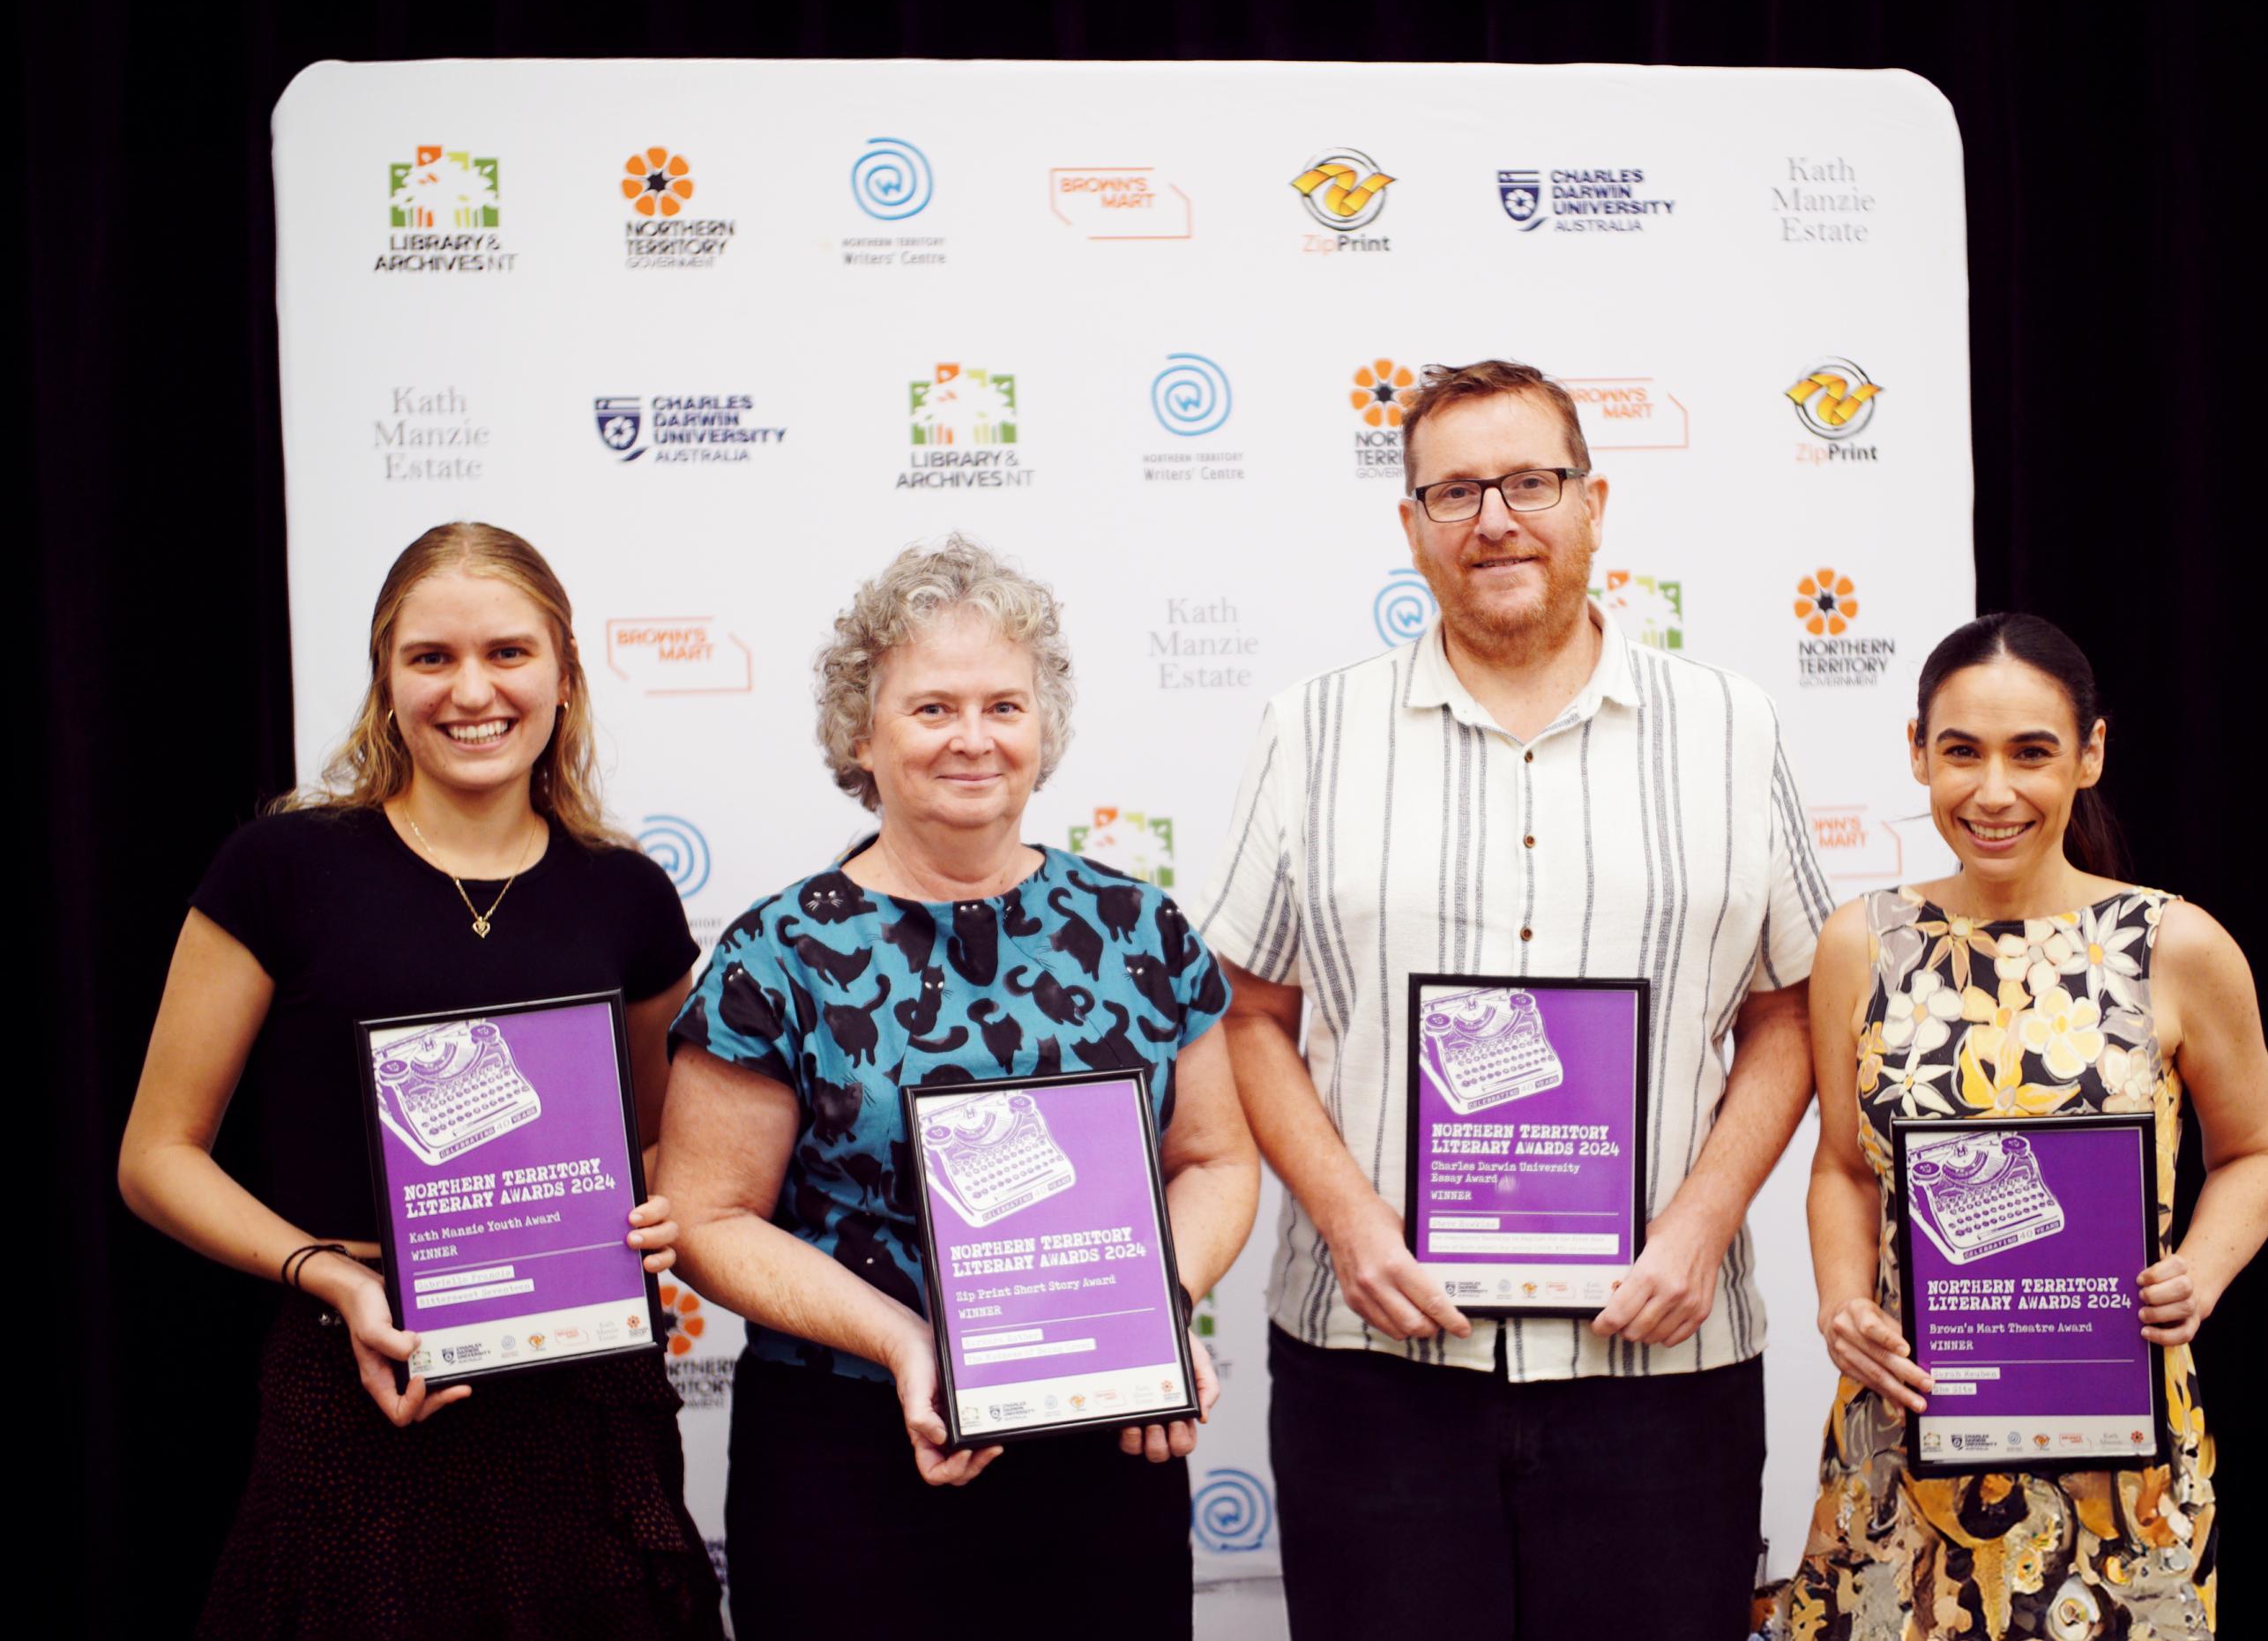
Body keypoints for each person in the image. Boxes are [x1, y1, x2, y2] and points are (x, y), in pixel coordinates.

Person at [1197, 360, 1831, 1640]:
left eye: (1530, 482)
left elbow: (1792, 1007)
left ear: (1593, 502)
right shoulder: (1311, 729)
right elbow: (1246, 1010)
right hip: (1377, 1355)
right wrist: (1348, 1216)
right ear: (1412, 524)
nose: (1496, 518)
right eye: (1456, 490)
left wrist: (1705, 1222)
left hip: (1660, 1352)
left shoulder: (1730, 725)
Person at [117, 522, 722, 1637]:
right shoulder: (283, 868)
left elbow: (655, 1145)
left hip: (581, 1406)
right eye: (431, 657)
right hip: (359, 1386)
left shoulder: (627, 896)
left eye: (508, 652)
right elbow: (156, 1157)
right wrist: (329, 1276)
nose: (472, 690)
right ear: (386, 679)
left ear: (564, 676)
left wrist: (653, 1208)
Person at [657, 535, 1259, 1640]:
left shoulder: (1139, 929)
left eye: (1004, 706)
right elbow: (703, 1214)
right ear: (861, 733)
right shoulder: (776, 951)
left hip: (1101, 1437)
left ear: (1046, 729)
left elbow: (1215, 1158)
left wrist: (1152, 1307)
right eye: (932, 708)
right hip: (850, 1454)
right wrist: (907, 1342)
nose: (973, 739)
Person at [1763, 613, 2268, 1640]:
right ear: (1916, 751)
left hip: (2123, 1466)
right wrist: (1839, 1303)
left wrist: (2207, 1267)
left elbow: (2259, 1148)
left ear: (2090, 754)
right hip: (1903, 1455)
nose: (1993, 790)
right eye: (1961, 750)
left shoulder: (2174, 944)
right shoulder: (1859, 944)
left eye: (2032, 752)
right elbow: (1842, 1168)